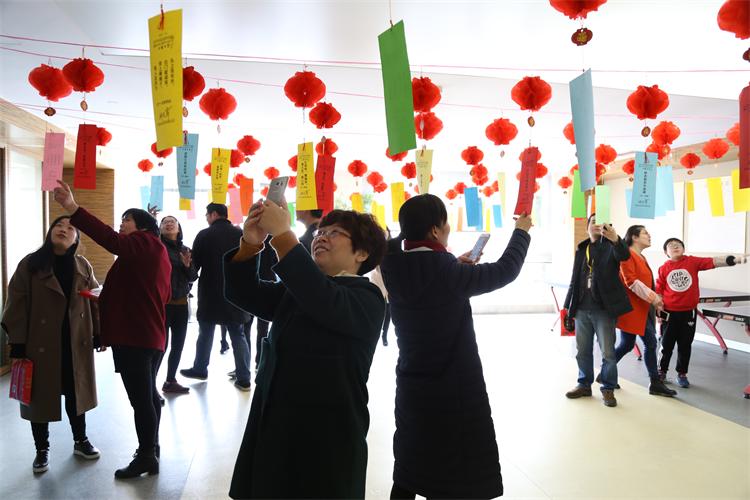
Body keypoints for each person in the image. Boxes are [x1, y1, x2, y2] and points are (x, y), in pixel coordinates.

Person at [225, 200, 386, 499]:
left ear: (362, 253)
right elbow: (245, 293)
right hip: (277, 425)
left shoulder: (367, 298)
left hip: (326, 437)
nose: (321, 237)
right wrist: (250, 243)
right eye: (320, 232)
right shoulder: (299, 291)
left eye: (335, 233)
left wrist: (283, 235)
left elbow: (323, 299)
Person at [380, 194, 532, 500]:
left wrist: (454, 264)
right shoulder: (450, 273)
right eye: (445, 222)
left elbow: (422, 270)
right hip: (453, 389)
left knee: (410, 460)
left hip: (411, 382)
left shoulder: (392, 264)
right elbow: (506, 270)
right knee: (453, 471)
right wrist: (521, 232)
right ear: (435, 230)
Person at [52, 180, 171, 479]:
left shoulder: (144, 243)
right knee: (148, 397)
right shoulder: (152, 253)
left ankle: (146, 455)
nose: (120, 225)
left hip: (135, 336)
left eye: (126, 220)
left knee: (141, 400)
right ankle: (152, 450)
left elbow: (110, 240)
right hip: (148, 334)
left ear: (143, 227)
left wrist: (73, 208)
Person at [1, 216, 102, 473]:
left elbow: (95, 299)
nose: (64, 230)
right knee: (39, 398)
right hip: (40, 343)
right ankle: (41, 449)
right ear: (50, 232)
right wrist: (18, 343)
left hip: (75, 342)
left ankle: (81, 440)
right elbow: (16, 303)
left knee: (76, 393)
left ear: (76, 239)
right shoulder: (31, 264)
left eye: (70, 228)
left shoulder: (82, 265)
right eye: (59, 225)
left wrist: (99, 333)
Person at [656, 238, 747, 388]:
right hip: (669, 312)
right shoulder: (663, 268)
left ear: (683, 249)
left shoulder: (692, 262)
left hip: (688, 313)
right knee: (666, 344)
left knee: (685, 345)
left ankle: (682, 374)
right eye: (671, 246)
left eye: (678, 245)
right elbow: (658, 291)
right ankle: (661, 372)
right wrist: (658, 311)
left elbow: (712, 261)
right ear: (666, 252)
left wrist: (733, 260)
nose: (675, 247)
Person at [181, 203, 253, 391]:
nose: (206, 218)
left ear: (213, 214)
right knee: (238, 334)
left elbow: (194, 268)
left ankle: (200, 369)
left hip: (210, 293)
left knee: (205, 333)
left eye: (207, 215)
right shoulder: (241, 234)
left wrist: (187, 266)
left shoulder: (204, 235)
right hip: (236, 294)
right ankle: (244, 378)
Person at [563, 214, 631, 408]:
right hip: (581, 308)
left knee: (608, 352)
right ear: (587, 227)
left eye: (601, 223)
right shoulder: (581, 249)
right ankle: (584, 384)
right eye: (593, 222)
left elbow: (624, 255)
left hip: (604, 309)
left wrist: (615, 238)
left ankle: (608, 388)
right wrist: (568, 307)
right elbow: (574, 279)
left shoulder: (612, 247)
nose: (596, 225)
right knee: (582, 351)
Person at [613, 225, 675, 397]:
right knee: (651, 342)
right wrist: (654, 298)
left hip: (643, 308)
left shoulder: (641, 256)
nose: (649, 235)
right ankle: (655, 382)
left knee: (627, 344)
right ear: (634, 237)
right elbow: (631, 282)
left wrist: (654, 302)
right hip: (632, 309)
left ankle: (605, 373)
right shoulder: (627, 255)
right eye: (645, 233)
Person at [158, 215, 198, 394]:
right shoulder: (157, 247)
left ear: (179, 228)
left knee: (178, 345)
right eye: (164, 222)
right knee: (160, 346)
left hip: (181, 304)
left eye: (172, 222)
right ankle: (150, 385)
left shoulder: (185, 250)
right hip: (163, 304)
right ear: (160, 228)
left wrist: (187, 265)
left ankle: (170, 381)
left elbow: (193, 277)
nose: (168, 223)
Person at [369, 266, 390, 346]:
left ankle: (384, 336)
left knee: (388, 315)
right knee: (377, 315)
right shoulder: (375, 269)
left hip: (388, 292)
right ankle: (374, 336)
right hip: (377, 290)